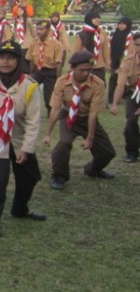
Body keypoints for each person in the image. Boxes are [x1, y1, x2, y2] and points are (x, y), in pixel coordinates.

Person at [0, 41, 45, 237]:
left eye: (11, 57)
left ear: (19, 60)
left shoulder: (29, 87)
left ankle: (20, 209)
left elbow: (33, 120)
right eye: (2, 57)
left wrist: (27, 149)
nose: (6, 61)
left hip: (19, 141)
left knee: (30, 176)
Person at [44, 50, 116, 190]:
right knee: (63, 144)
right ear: (72, 68)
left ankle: (93, 170)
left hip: (87, 118)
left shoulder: (98, 83)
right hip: (69, 116)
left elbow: (93, 113)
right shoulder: (62, 82)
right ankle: (59, 176)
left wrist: (90, 137)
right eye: (81, 70)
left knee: (108, 153)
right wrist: (47, 133)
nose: (85, 74)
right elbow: (56, 109)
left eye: (89, 70)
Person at [109, 30, 140, 163]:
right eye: (137, 45)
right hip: (134, 93)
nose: (139, 48)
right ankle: (132, 152)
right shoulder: (128, 61)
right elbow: (121, 84)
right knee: (131, 122)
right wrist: (115, 104)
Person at [27, 20, 65, 114]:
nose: (39, 31)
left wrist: (58, 78)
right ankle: (26, 111)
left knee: (49, 97)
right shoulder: (34, 43)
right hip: (38, 71)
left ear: (48, 30)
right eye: (38, 29)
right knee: (27, 89)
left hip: (50, 72)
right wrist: (31, 73)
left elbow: (58, 63)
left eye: (42, 29)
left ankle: (51, 112)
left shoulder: (56, 44)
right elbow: (30, 59)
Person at [74, 12, 110, 84]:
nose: (97, 20)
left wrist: (108, 63)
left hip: (99, 65)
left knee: (100, 86)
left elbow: (106, 50)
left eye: (98, 18)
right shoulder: (82, 33)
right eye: (94, 18)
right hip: (86, 65)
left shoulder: (103, 33)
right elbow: (76, 51)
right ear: (89, 19)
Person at [108, 16, 134, 106]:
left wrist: (123, 63)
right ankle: (111, 98)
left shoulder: (130, 36)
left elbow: (130, 51)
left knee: (125, 80)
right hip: (114, 60)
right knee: (113, 77)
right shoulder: (115, 34)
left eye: (124, 24)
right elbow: (110, 47)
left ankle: (123, 96)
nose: (121, 26)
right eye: (120, 24)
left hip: (124, 60)